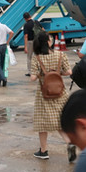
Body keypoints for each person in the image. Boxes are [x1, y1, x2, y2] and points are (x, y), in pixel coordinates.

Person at [29, 33, 73, 161]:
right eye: (50, 39)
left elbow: (32, 77)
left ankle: (43, 151)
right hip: (60, 92)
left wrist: (41, 75)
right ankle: (69, 142)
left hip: (44, 93)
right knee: (60, 121)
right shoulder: (60, 55)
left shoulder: (37, 57)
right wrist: (57, 73)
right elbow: (69, 72)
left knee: (42, 123)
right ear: (48, 42)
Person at [22, 12, 36, 77]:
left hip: (30, 42)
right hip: (37, 41)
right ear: (30, 16)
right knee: (38, 56)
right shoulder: (36, 22)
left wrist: (25, 47)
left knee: (29, 57)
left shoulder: (26, 25)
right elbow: (43, 30)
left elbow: (26, 36)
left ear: (25, 18)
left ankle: (30, 72)